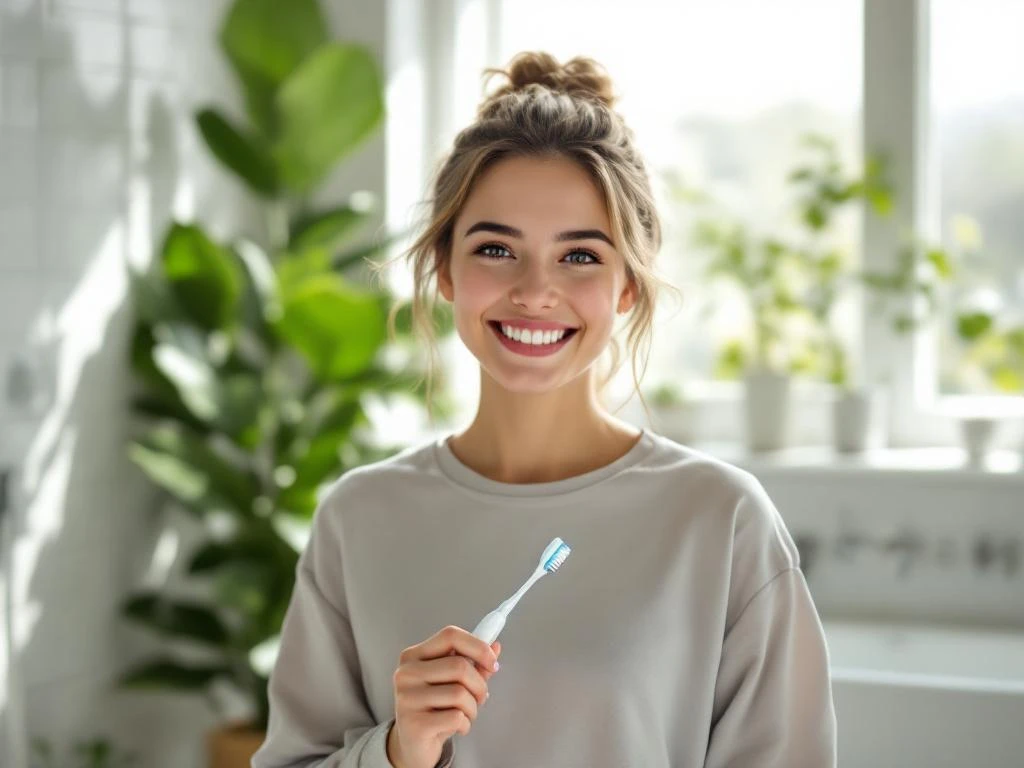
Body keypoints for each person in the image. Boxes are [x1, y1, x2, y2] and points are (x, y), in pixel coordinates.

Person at [251, 51, 836, 768]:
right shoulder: (360, 517)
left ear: (628, 285)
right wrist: (401, 752)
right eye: (496, 248)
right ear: (445, 270)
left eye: (580, 257)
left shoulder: (720, 520)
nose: (535, 291)